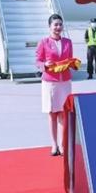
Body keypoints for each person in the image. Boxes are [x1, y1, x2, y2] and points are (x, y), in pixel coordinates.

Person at [35, 14, 74, 156]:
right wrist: (44, 65)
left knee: (63, 113)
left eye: (60, 24)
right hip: (50, 82)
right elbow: (37, 61)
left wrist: (73, 63)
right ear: (49, 27)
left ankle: (63, 144)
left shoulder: (68, 42)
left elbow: (70, 59)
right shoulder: (44, 42)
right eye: (55, 25)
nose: (58, 27)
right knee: (52, 113)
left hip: (65, 82)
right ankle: (54, 144)